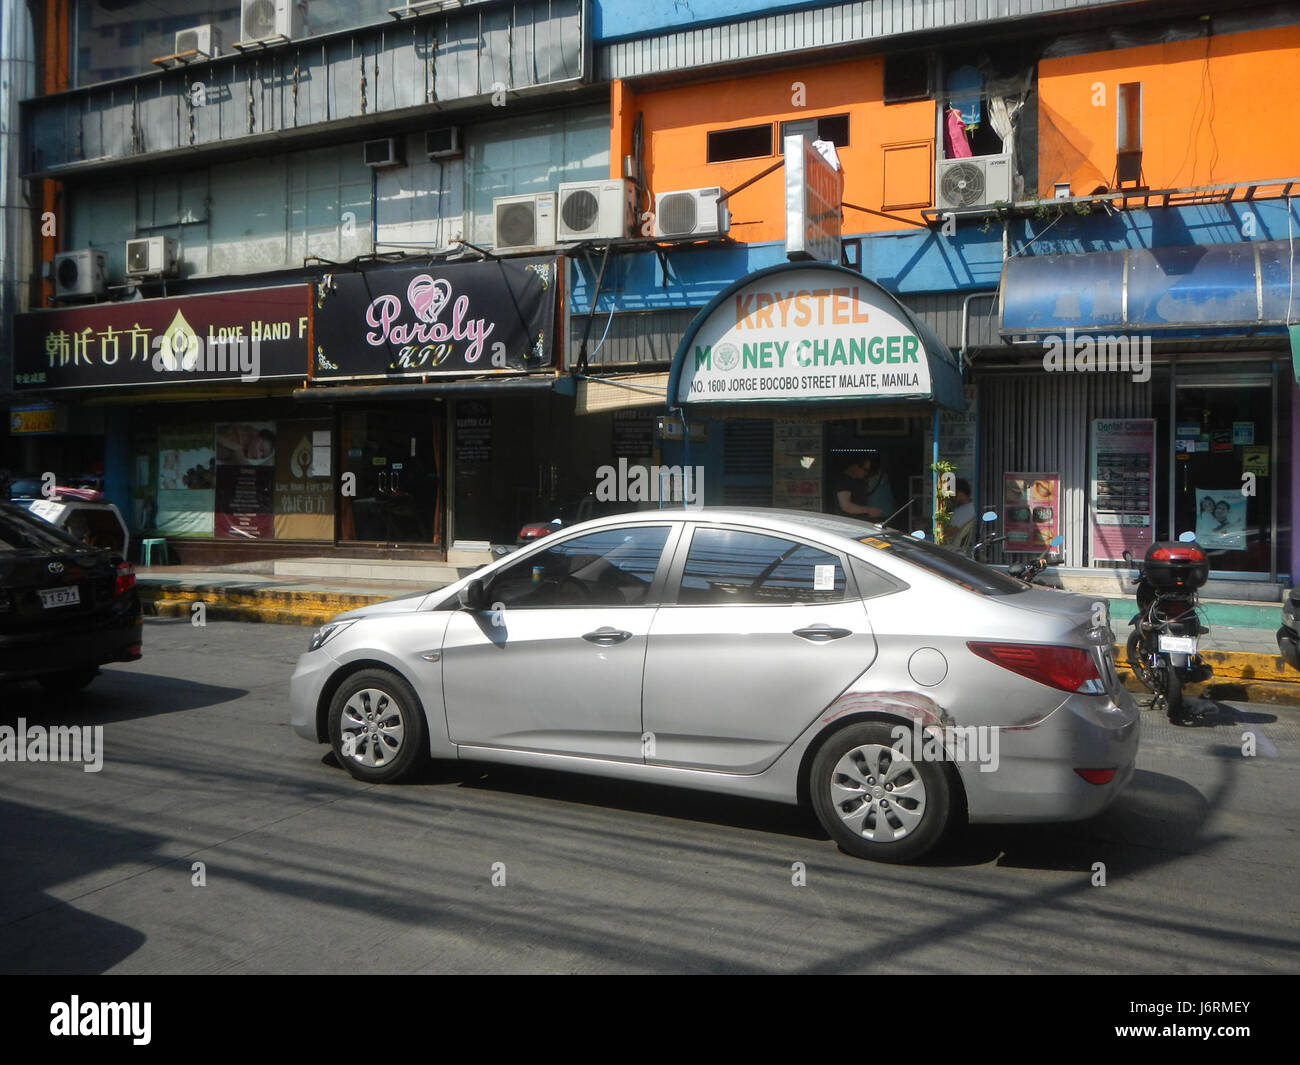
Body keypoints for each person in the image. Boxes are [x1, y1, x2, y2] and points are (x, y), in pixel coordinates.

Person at [833, 454, 894, 522]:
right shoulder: (844, 481)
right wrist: (869, 510)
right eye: (865, 470)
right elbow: (846, 506)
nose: (867, 473)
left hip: (859, 522)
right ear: (855, 467)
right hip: (849, 523)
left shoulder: (858, 481)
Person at [946, 478, 976, 543]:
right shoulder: (972, 507)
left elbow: (951, 532)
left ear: (960, 493)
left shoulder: (964, 512)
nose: (949, 497)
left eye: (951, 494)